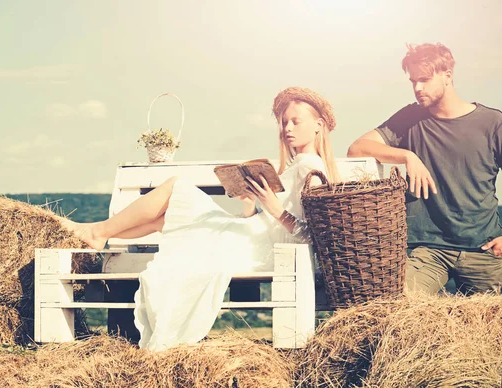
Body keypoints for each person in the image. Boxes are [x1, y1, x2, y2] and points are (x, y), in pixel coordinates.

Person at [62, 87, 340, 351]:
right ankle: (99, 234)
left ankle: (98, 233)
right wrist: (250, 204)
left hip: (268, 251)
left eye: (295, 121)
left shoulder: (312, 168)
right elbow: (270, 221)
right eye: (284, 122)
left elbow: (314, 235)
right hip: (255, 236)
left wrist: (273, 207)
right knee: (170, 221)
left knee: (175, 187)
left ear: (317, 125)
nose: (287, 128)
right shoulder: (296, 165)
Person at [348, 42, 502, 295]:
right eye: (413, 81)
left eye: (424, 79)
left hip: (483, 249)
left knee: (485, 328)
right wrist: (407, 156)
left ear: (447, 76)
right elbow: (357, 148)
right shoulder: (410, 118)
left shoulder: (492, 122)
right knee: (397, 304)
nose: (417, 88)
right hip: (428, 250)